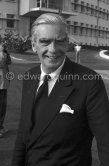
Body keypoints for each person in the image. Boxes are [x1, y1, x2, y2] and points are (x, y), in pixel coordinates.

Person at [12, 13, 109, 166]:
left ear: (67, 43)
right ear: (33, 44)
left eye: (59, 41)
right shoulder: (29, 77)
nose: (53, 49)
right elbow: (24, 133)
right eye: (45, 41)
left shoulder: (90, 82)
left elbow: (106, 141)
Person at [0, 44, 11, 137]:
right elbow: (1, 63)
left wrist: (5, 52)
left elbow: (9, 62)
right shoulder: (1, 51)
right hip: (1, 84)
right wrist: (2, 52)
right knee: (1, 107)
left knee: (2, 107)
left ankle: (1, 126)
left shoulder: (3, 51)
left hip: (3, 83)